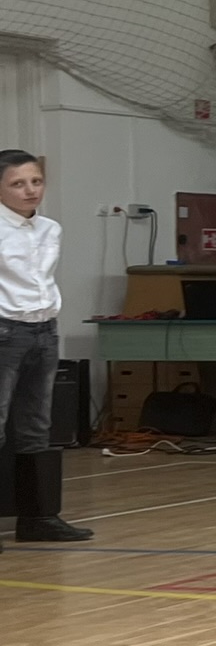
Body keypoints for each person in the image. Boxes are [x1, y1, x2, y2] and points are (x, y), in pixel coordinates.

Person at [0, 151, 91, 544]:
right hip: (5, 330)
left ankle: (38, 517)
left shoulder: (50, 229)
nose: (30, 190)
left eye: (35, 181)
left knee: (36, 426)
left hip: (43, 330)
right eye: (17, 184)